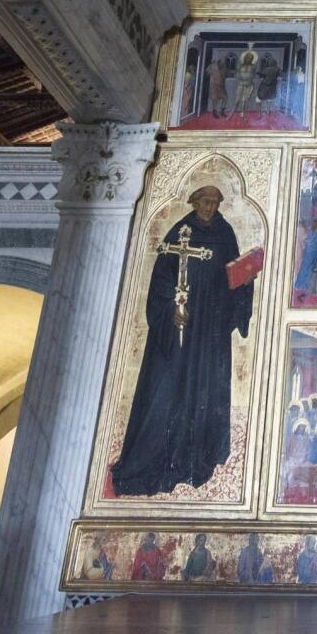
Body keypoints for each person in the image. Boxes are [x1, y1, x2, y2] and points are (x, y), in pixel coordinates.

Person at [110, 187, 257, 496]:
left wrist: (244, 283)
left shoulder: (225, 234)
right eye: (205, 202)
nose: (209, 207)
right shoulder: (179, 233)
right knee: (167, 388)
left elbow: (231, 277)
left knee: (205, 387)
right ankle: (157, 458)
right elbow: (161, 281)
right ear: (193, 203)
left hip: (210, 331)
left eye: (214, 203)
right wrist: (170, 310)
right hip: (179, 331)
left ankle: (197, 456)